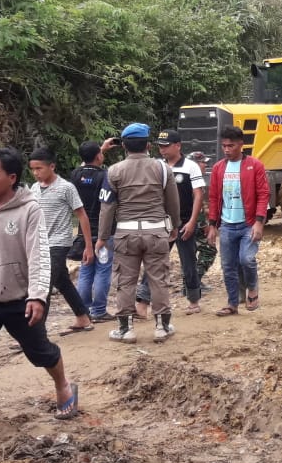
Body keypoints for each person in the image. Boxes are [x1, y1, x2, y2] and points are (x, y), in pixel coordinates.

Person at [0, 148, 79, 447]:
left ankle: (63, 385)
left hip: (21, 300)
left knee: (40, 353)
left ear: (11, 178)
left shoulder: (29, 210)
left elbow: (39, 255)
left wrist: (37, 296)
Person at [97, 123, 181, 343]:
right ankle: (162, 327)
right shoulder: (163, 169)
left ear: (124, 146)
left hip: (126, 234)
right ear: (148, 145)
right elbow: (173, 202)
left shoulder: (113, 171)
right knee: (158, 279)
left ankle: (126, 330)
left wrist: (103, 237)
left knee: (125, 281)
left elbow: (107, 208)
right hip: (156, 232)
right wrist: (175, 225)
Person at [28, 148, 93, 335]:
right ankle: (83, 317)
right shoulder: (34, 188)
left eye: (39, 168)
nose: (36, 173)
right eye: (33, 169)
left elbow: (81, 215)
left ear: (52, 166)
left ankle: (36, 334)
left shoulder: (66, 188)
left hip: (59, 242)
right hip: (40, 242)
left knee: (44, 285)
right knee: (62, 281)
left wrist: (87, 245)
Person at [206, 126, 270, 311]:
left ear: (241, 145)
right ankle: (232, 303)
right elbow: (213, 197)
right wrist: (212, 225)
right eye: (224, 146)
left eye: (231, 146)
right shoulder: (219, 168)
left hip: (248, 223)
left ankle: (252, 289)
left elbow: (263, 194)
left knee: (246, 259)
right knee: (228, 266)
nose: (226, 149)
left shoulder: (255, 165)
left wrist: (259, 222)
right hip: (227, 225)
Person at [154, 129, 204, 314]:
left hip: (184, 222)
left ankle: (193, 300)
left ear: (178, 146)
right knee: (155, 262)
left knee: (188, 262)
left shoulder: (190, 166)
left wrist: (192, 221)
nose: (162, 150)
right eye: (160, 146)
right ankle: (143, 301)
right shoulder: (157, 166)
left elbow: (198, 195)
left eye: (166, 146)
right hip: (162, 223)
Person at [72, 139, 118, 323]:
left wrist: (99, 150)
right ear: (99, 156)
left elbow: (84, 166)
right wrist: (101, 151)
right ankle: (99, 310)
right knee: (103, 270)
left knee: (85, 269)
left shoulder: (76, 175)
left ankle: (84, 310)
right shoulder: (105, 176)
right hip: (103, 231)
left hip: (83, 231)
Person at [187, 151, 218, 296]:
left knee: (189, 254)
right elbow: (193, 205)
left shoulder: (191, 178)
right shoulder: (191, 180)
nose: (205, 165)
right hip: (193, 224)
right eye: (202, 162)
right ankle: (194, 282)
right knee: (209, 250)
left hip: (190, 223)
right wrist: (203, 225)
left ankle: (191, 283)